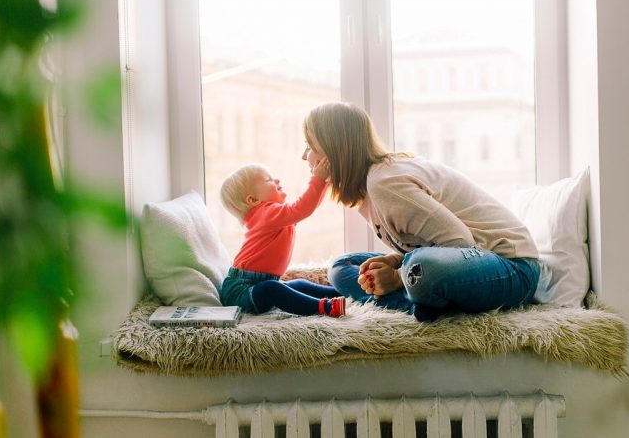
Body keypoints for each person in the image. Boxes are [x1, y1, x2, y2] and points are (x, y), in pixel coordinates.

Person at [301, 101, 541, 322]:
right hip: (460, 262)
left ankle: (417, 299)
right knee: (342, 267)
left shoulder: (384, 183)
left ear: (335, 151)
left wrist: (396, 276)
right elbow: (427, 246)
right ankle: (421, 303)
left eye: (310, 146)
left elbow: (460, 242)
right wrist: (396, 263)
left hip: (512, 268)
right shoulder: (368, 190)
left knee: (420, 267)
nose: (305, 156)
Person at [219, 160, 346, 318]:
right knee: (272, 289)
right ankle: (324, 307)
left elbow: (307, 208)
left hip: (258, 283)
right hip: (241, 290)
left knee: (298, 284)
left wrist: (325, 183)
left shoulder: (273, 215)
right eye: (269, 180)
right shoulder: (266, 213)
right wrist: (318, 179)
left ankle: (342, 293)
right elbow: (302, 208)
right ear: (253, 200)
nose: (277, 180)